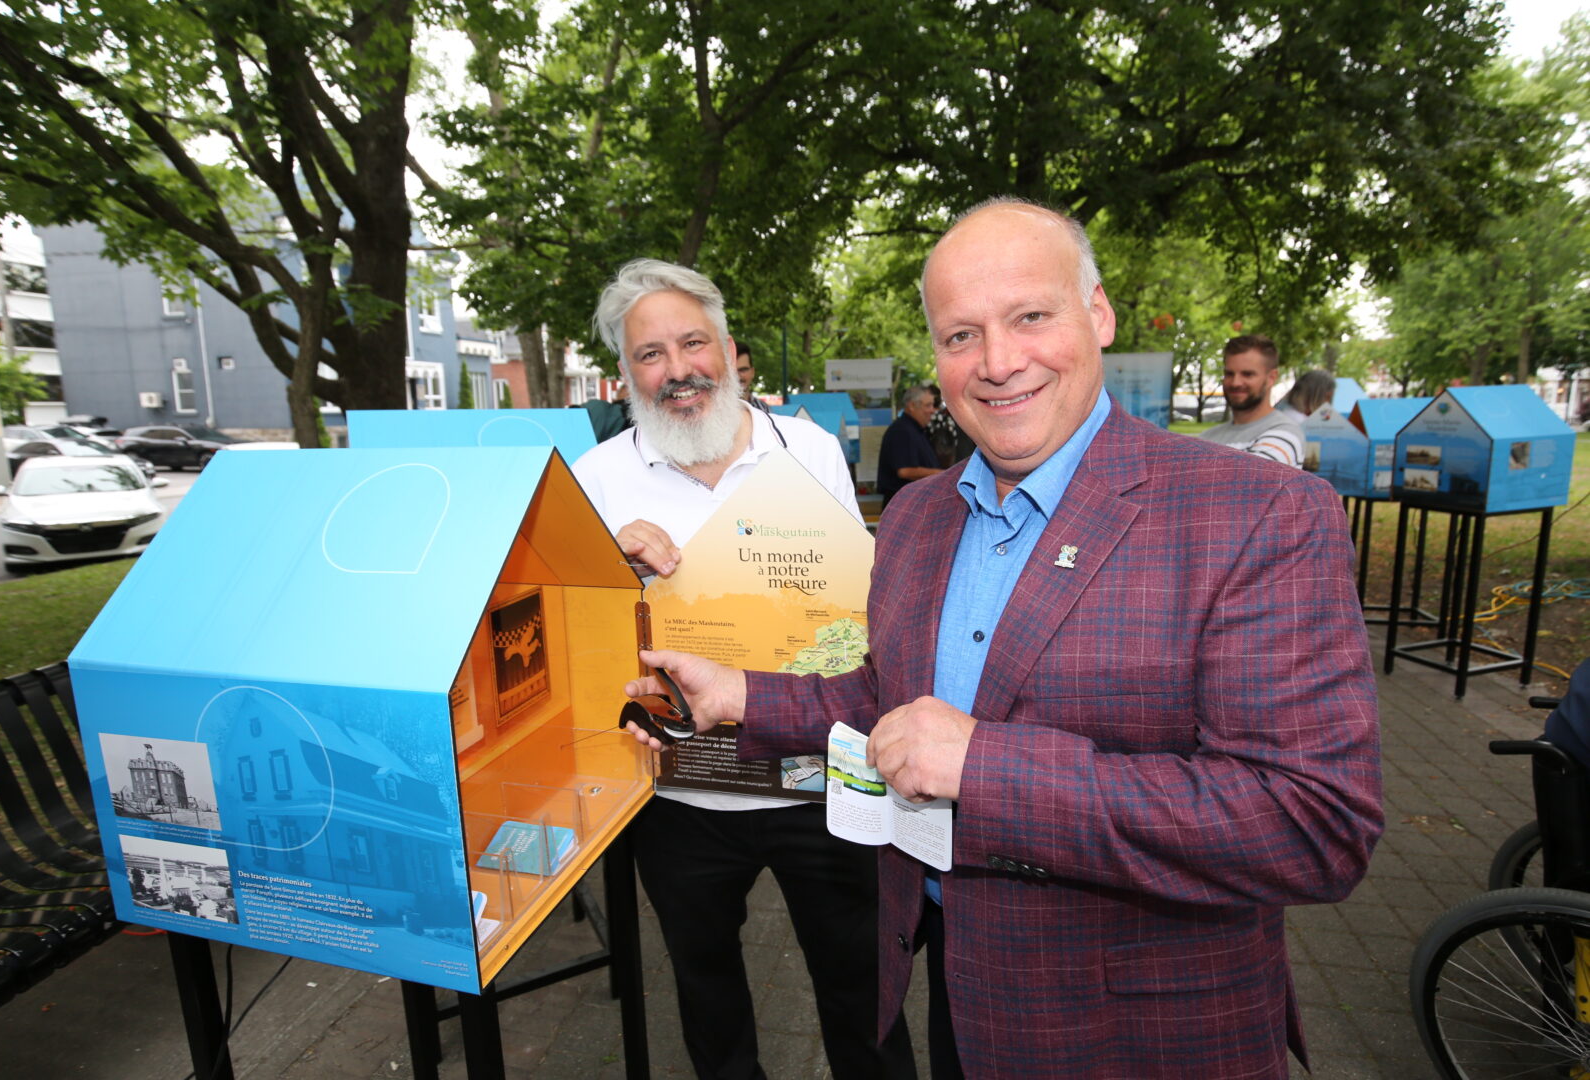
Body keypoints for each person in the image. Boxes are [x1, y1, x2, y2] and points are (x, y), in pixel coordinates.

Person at [622, 200, 1381, 1079]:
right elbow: (889, 697)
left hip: (1145, 1034)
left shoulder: (1257, 514)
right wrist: (739, 694)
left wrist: (983, 766)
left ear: (1097, 314)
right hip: (958, 992)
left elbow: (1311, 823)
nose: (998, 362)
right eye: (960, 335)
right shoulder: (914, 517)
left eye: (1030, 317)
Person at [570, 259, 916, 1080]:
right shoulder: (593, 480)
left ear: (726, 348)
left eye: (693, 342)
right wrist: (607, 577)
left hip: (813, 776)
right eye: (650, 354)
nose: (678, 368)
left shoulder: (813, 453)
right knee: (707, 995)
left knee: (862, 990)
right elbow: (578, 648)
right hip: (682, 793)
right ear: (624, 376)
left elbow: (851, 617)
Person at [1200, 334, 1305, 467]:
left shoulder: (1286, 433)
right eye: (1229, 374)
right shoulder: (1207, 436)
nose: (1235, 383)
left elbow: (1250, 482)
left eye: (1247, 374)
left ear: (1272, 377)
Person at [876, 386, 943, 504]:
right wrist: (944, 474)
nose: (933, 410)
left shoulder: (915, 430)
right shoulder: (902, 430)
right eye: (928, 405)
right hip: (903, 505)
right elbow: (905, 471)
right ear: (912, 406)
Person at [732, 339, 770, 411]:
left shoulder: (764, 409)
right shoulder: (714, 410)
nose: (737, 376)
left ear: (752, 372)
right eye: (732, 371)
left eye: (743, 370)